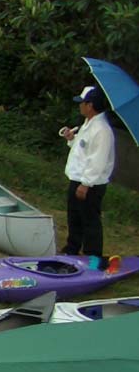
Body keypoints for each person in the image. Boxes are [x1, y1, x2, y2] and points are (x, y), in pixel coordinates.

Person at [60, 84, 116, 258]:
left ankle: (93, 255)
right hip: (77, 178)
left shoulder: (102, 130)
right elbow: (83, 149)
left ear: (90, 105)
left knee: (89, 220)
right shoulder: (87, 124)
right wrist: (71, 138)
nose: (80, 106)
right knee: (74, 217)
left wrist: (85, 184)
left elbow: (97, 160)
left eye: (82, 102)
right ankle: (72, 249)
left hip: (90, 184)